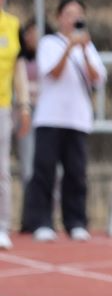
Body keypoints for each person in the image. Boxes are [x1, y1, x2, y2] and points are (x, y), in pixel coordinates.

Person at [21, 0, 107, 242]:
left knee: (76, 173)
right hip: (50, 117)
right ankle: (42, 221)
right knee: (44, 171)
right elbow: (53, 73)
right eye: (69, 13)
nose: (74, 18)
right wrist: (69, 46)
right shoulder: (49, 43)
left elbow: (97, 79)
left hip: (77, 119)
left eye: (78, 13)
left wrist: (83, 50)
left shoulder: (88, 46)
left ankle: (76, 221)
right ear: (59, 17)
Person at [0, 0, 31, 250]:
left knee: (1, 169)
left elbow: (19, 70)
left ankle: (2, 226)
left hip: (2, 105)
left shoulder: (12, 25)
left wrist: (24, 104)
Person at [15, 19, 44, 187]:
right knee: (28, 160)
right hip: (26, 111)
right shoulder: (20, 58)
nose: (32, 37)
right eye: (29, 32)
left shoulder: (47, 55)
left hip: (45, 111)